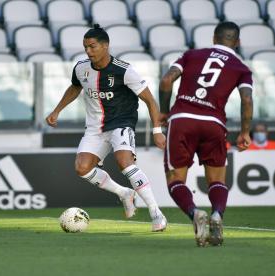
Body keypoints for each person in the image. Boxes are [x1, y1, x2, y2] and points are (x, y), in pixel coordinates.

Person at [46, 24, 168, 232]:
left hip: (121, 123)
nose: (88, 51)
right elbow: (75, 87)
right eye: (85, 47)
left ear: (105, 46)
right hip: (95, 128)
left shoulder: (124, 70)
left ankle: (156, 212)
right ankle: (124, 193)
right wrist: (57, 110)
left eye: (92, 47)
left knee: (125, 164)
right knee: (82, 168)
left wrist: (157, 131)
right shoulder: (81, 68)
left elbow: (150, 100)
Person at [159, 22, 253, 246]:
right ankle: (217, 215)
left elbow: (166, 80)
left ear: (214, 38)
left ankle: (194, 214)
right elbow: (247, 100)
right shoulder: (241, 68)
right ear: (237, 42)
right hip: (214, 124)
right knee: (217, 180)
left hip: (182, 120)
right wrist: (245, 132)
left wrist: (163, 112)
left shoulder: (191, 55)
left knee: (175, 179)